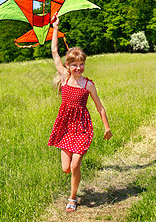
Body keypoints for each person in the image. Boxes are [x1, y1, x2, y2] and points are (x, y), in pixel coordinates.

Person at [48, 12, 113, 213]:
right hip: (65, 126)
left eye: (81, 64)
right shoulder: (65, 77)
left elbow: (100, 107)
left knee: (75, 165)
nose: (78, 67)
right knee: (66, 168)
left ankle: (73, 197)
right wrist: (55, 27)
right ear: (68, 65)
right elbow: (54, 51)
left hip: (82, 127)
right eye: (74, 64)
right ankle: (74, 190)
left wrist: (107, 128)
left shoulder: (88, 85)